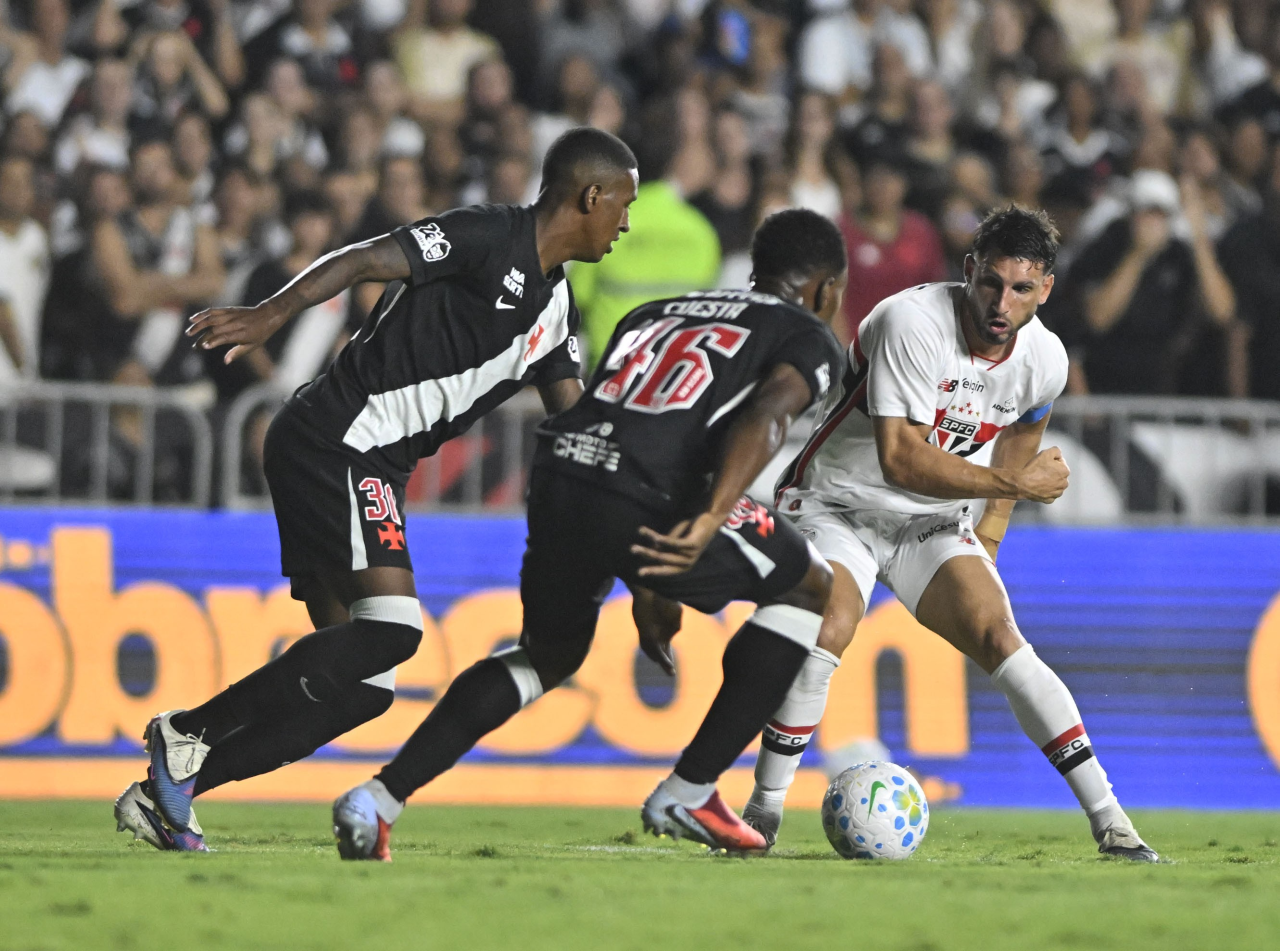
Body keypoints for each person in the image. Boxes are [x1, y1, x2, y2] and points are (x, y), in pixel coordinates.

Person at [111, 127, 639, 852]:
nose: (627, 224)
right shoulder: (489, 234)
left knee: (364, 681)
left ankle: (169, 791)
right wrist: (270, 314)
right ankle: (186, 733)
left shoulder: (555, 313)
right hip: (338, 438)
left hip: (362, 459)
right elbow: (365, 256)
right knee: (392, 628)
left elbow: (576, 424)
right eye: (624, 205)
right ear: (592, 195)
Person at [331, 208, 846, 861]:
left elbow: (635, 418)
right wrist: (714, 516)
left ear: (754, 270)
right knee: (807, 586)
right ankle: (691, 787)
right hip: (640, 488)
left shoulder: (658, 310)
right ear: (829, 288)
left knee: (546, 654)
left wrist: (654, 587)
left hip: (562, 474)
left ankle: (377, 799)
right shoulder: (805, 332)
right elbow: (770, 414)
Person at [748, 206, 1159, 863]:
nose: (1002, 303)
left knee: (1001, 635)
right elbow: (903, 460)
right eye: (991, 283)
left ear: (1045, 289)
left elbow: (1016, 449)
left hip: (933, 521)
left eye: (1021, 288)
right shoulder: (912, 322)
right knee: (828, 623)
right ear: (968, 270)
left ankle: (1113, 823)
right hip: (837, 504)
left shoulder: (1045, 360)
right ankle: (764, 810)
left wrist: (986, 549)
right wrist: (1017, 486)